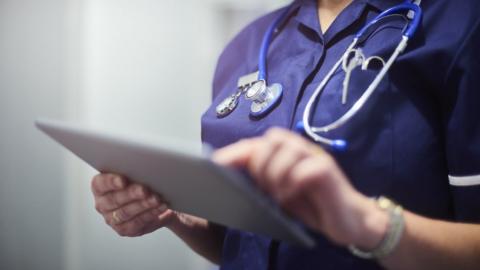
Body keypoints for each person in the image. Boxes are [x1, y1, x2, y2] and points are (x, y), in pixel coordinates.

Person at [90, 0, 480, 269]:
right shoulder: (247, 45)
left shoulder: (459, 24)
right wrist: (173, 215)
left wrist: (372, 225)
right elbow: (239, 241)